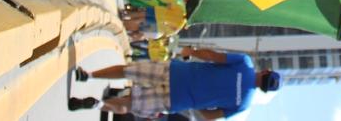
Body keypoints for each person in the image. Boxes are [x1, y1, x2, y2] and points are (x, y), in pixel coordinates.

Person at [73, 50, 279, 119]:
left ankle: (88, 75)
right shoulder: (243, 105)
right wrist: (196, 102)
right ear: (264, 90)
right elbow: (208, 117)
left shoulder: (245, 63)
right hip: (177, 100)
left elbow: (212, 56)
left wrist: (191, 51)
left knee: (129, 70)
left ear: (266, 71)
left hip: (176, 72)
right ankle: (98, 105)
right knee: (131, 103)